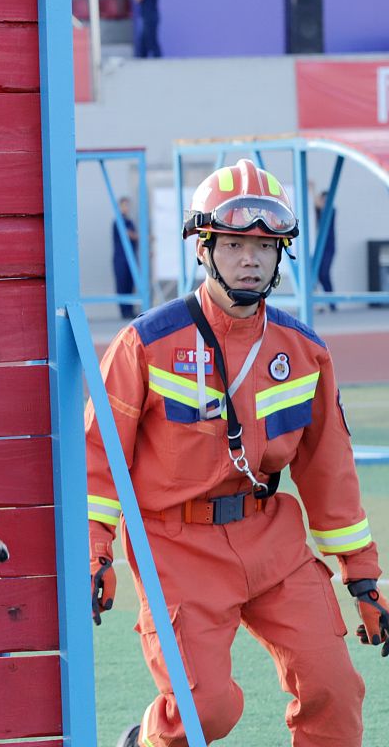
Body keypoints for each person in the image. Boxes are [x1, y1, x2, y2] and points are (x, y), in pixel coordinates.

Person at [85, 159, 386, 747]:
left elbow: (329, 472)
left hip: (272, 539)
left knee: (335, 688)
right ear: (203, 248)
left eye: (264, 246)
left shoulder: (305, 352)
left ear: (281, 256)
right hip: (176, 546)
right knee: (205, 711)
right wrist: (95, 550)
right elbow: (98, 457)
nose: (250, 258)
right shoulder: (144, 344)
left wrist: (362, 577)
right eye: (234, 244)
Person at [112, 196, 141, 319]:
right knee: (122, 284)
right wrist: (143, 236)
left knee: (130, 284)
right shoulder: (118, 222)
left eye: (127, 205)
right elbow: (130, 235)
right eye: (124, 205)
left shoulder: (130, 222)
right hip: (121, 259)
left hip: (131, 260)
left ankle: (130, 310)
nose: (126, 208)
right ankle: (124, 312)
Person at [312, 184, 338, 311]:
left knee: (324, 274)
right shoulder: (317, 211)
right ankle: (319, 303)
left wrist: (312, 189)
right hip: (318, 248)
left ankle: (331, 303)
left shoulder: (331, 210)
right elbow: (315, 205)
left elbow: (322, 206)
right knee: (315, 275)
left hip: (328, 247)